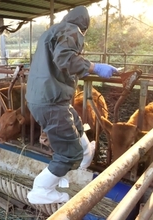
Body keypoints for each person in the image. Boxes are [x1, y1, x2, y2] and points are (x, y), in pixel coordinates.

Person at [25, 6, 118, 204]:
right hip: (51, 101)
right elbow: (64, 57)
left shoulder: (51, 32)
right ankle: (41, 189)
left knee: (76, 123)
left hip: (45, 97)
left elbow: (57, 59)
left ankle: (85, 154)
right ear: (84, 26)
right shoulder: (72, 30)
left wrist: (83, 69)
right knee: (68, 153)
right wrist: (93, 67)